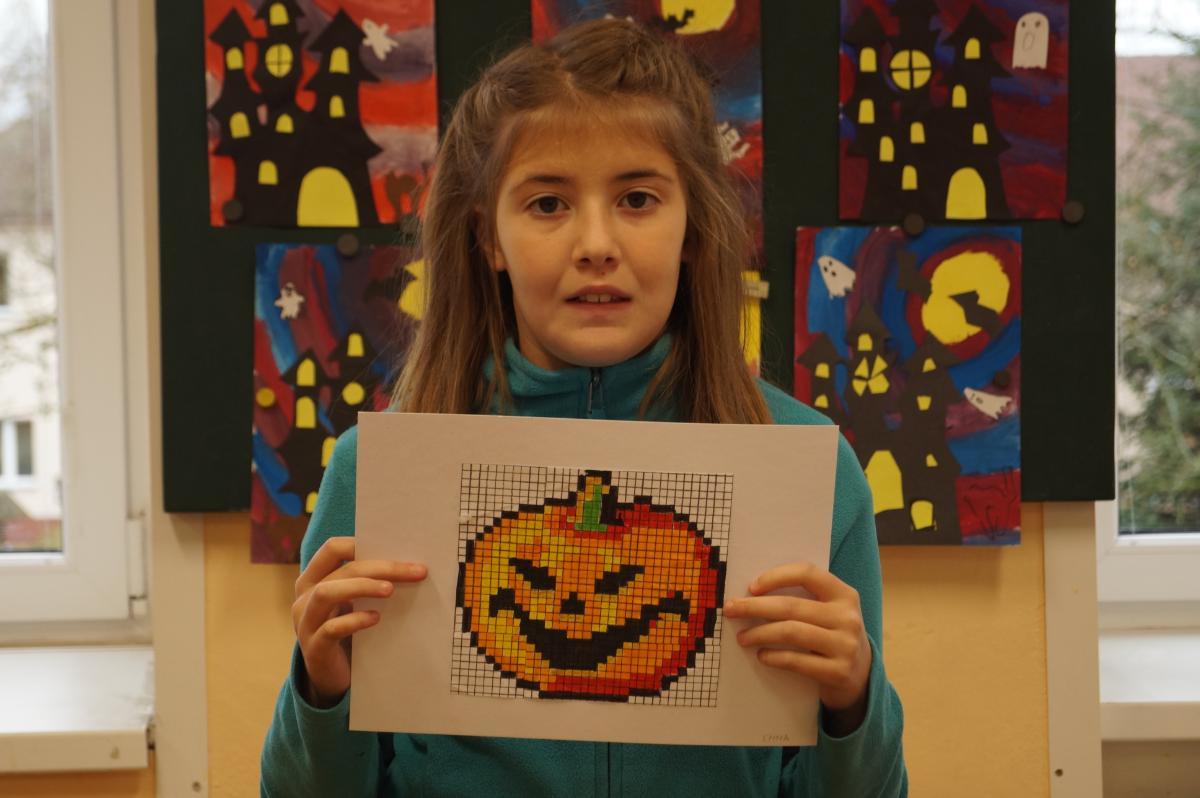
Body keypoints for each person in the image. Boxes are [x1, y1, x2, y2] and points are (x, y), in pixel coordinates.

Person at [261, 17, 906, 797]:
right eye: (547, 204)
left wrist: (853, 701)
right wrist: (322, 689)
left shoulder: (811, 472)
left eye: (637, 198)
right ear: (488, 238)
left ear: (692, 228)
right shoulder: (379, 474)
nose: (596, 243)